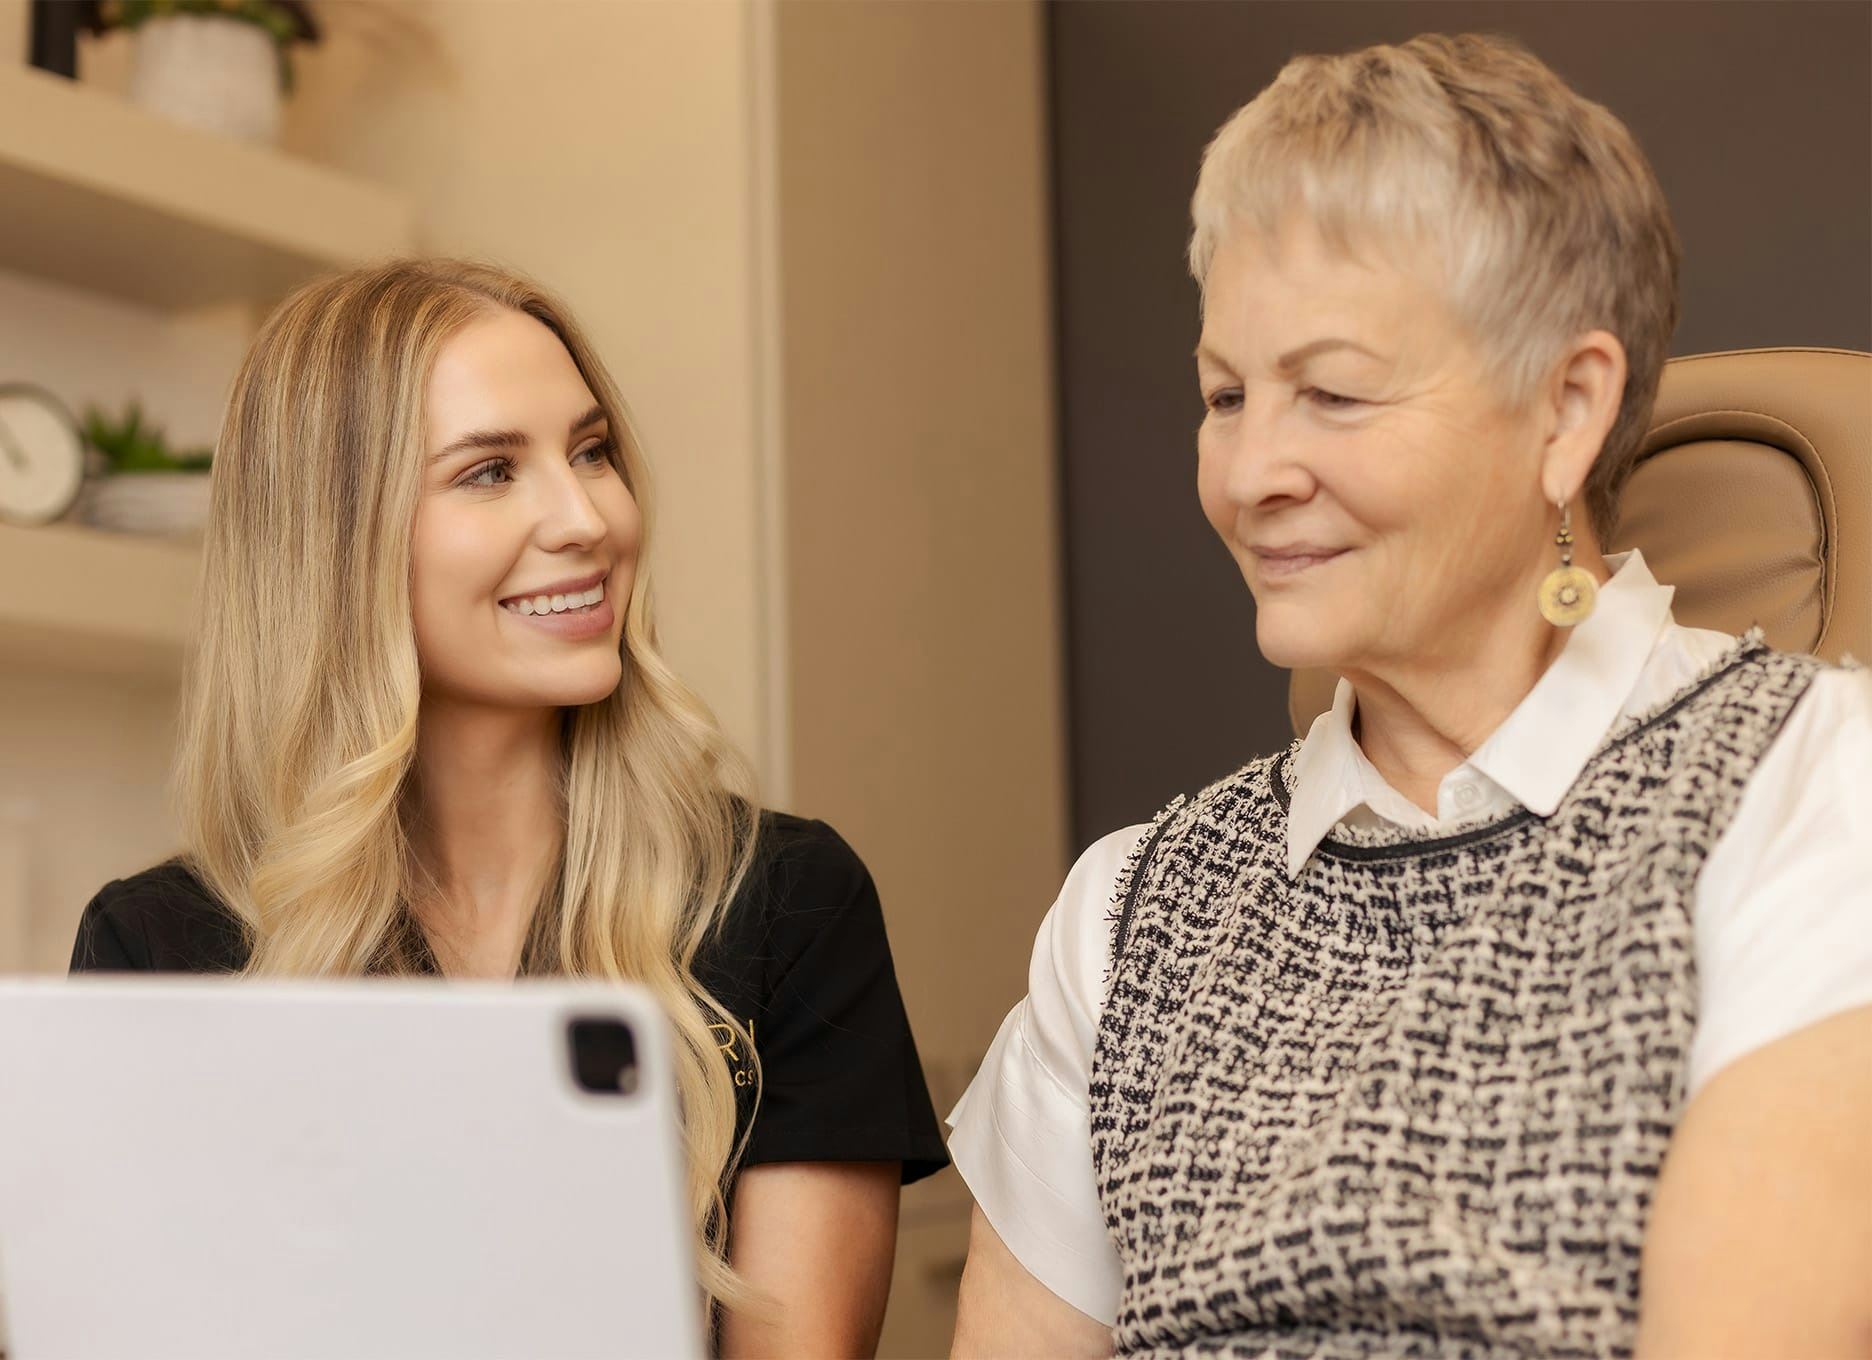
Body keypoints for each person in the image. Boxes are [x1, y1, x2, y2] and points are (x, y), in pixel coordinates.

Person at [948, 33, 1871, 1360]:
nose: (1250, 473)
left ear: (1567, 410)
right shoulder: (1128, 911)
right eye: (1225, 395)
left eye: (1331, 392)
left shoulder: (1810, 792)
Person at [69, 259, 947, 1357]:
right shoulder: (156, 949)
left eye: (592, 452)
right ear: (332, 542)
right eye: (489, 471)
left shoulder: (783, 904)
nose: (586, 518)